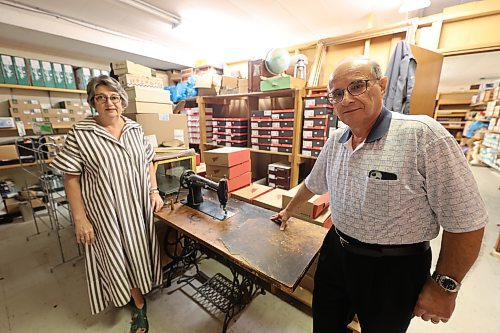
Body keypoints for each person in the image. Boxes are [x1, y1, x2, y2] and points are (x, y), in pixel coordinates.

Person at [272, 56, 488, 333]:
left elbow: (466, 220)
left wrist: (445, 287)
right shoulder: (335, 140)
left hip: (395, 269)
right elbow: (314, 183)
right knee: (325, 324)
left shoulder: (423, 136)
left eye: (357, 86)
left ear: (382, 85)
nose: (346, 99)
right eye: (337, 94)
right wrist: (289, 210)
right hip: (337, 251)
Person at [51, 75, 164, 333]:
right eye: (101, 98)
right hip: (105, 212)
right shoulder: (81, 134)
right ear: (93, 103)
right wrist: (80, 219)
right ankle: (136, 302)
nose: (109, 103)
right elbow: (71, 177)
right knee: (116, 256)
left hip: (136, 208)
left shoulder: (134, 129)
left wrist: (154, 190)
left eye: (114, 97)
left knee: (138, 251)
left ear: (122, 102)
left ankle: (139, 291)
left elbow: (149, 160)